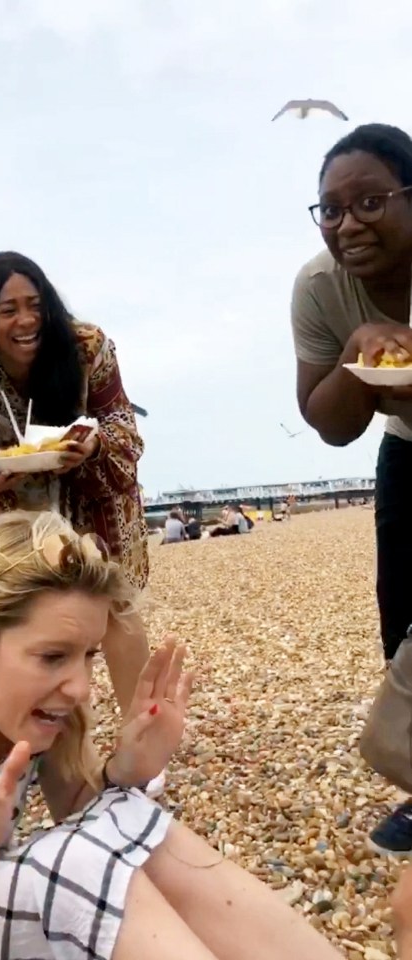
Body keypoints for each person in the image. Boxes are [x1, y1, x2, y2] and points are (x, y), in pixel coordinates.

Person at [0, 510, 342, 960]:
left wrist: (127, 770)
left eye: (88, 654)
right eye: (52, 656)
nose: (80, 686)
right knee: (73, 868)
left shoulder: (40, 706)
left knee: (125, 813)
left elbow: (88, 817)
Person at [0, 252, 150, 725]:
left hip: (99, 493)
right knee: (49, 622)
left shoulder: (87, 347)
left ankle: (142, 731)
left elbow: (124, 429)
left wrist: (92, 447)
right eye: (8, 310)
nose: (27, 320)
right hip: (27, 511)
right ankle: (63, 742)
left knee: (116, 611)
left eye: (35, 304)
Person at [291, 122, 412, 855]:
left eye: (368, 201)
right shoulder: (317, 287)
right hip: (407, 448)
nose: (346, 224)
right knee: (402, 620)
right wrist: (353, 356)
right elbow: (329, 425)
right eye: (329, 210)